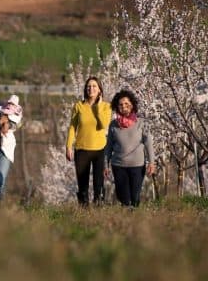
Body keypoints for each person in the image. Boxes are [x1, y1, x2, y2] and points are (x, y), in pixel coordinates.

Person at [105, 89, 156, 207]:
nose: (124, 107)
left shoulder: (142, 123)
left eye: (127, 104)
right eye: (121, 104)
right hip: (118, 166)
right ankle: (126, 219)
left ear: (132, 105)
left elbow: (148, 143)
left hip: (137, 166)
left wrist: (151, 163)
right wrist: (105, 165)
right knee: (123, 197)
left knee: (135, 197)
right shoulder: (113, 125)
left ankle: (134, 220)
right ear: (117, 107)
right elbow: (108, 147)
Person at [66, 76, 112, 206]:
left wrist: (97, 107)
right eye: (88, 86)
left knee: (99, 183)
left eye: (94, 86)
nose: (91, 88)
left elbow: (103, 124)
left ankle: (99, 209)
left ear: (99, 90)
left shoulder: (106, 106)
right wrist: (68, 146)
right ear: (85, 89)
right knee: (82, 184)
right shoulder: (78, 106)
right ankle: (84, 211)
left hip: (100, 150)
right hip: (81, 149)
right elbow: (72, 127)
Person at [0, 94, 23, 163]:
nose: (10, 105)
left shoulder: (17, 112)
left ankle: (3, 134)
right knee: (3, 126)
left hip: (11, 124)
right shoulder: (4, 108)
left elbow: (18, 123)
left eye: (12, 104)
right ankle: (2, 134)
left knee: (5, 127)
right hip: (7, 124)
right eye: (10, 103)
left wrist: (8, 123)